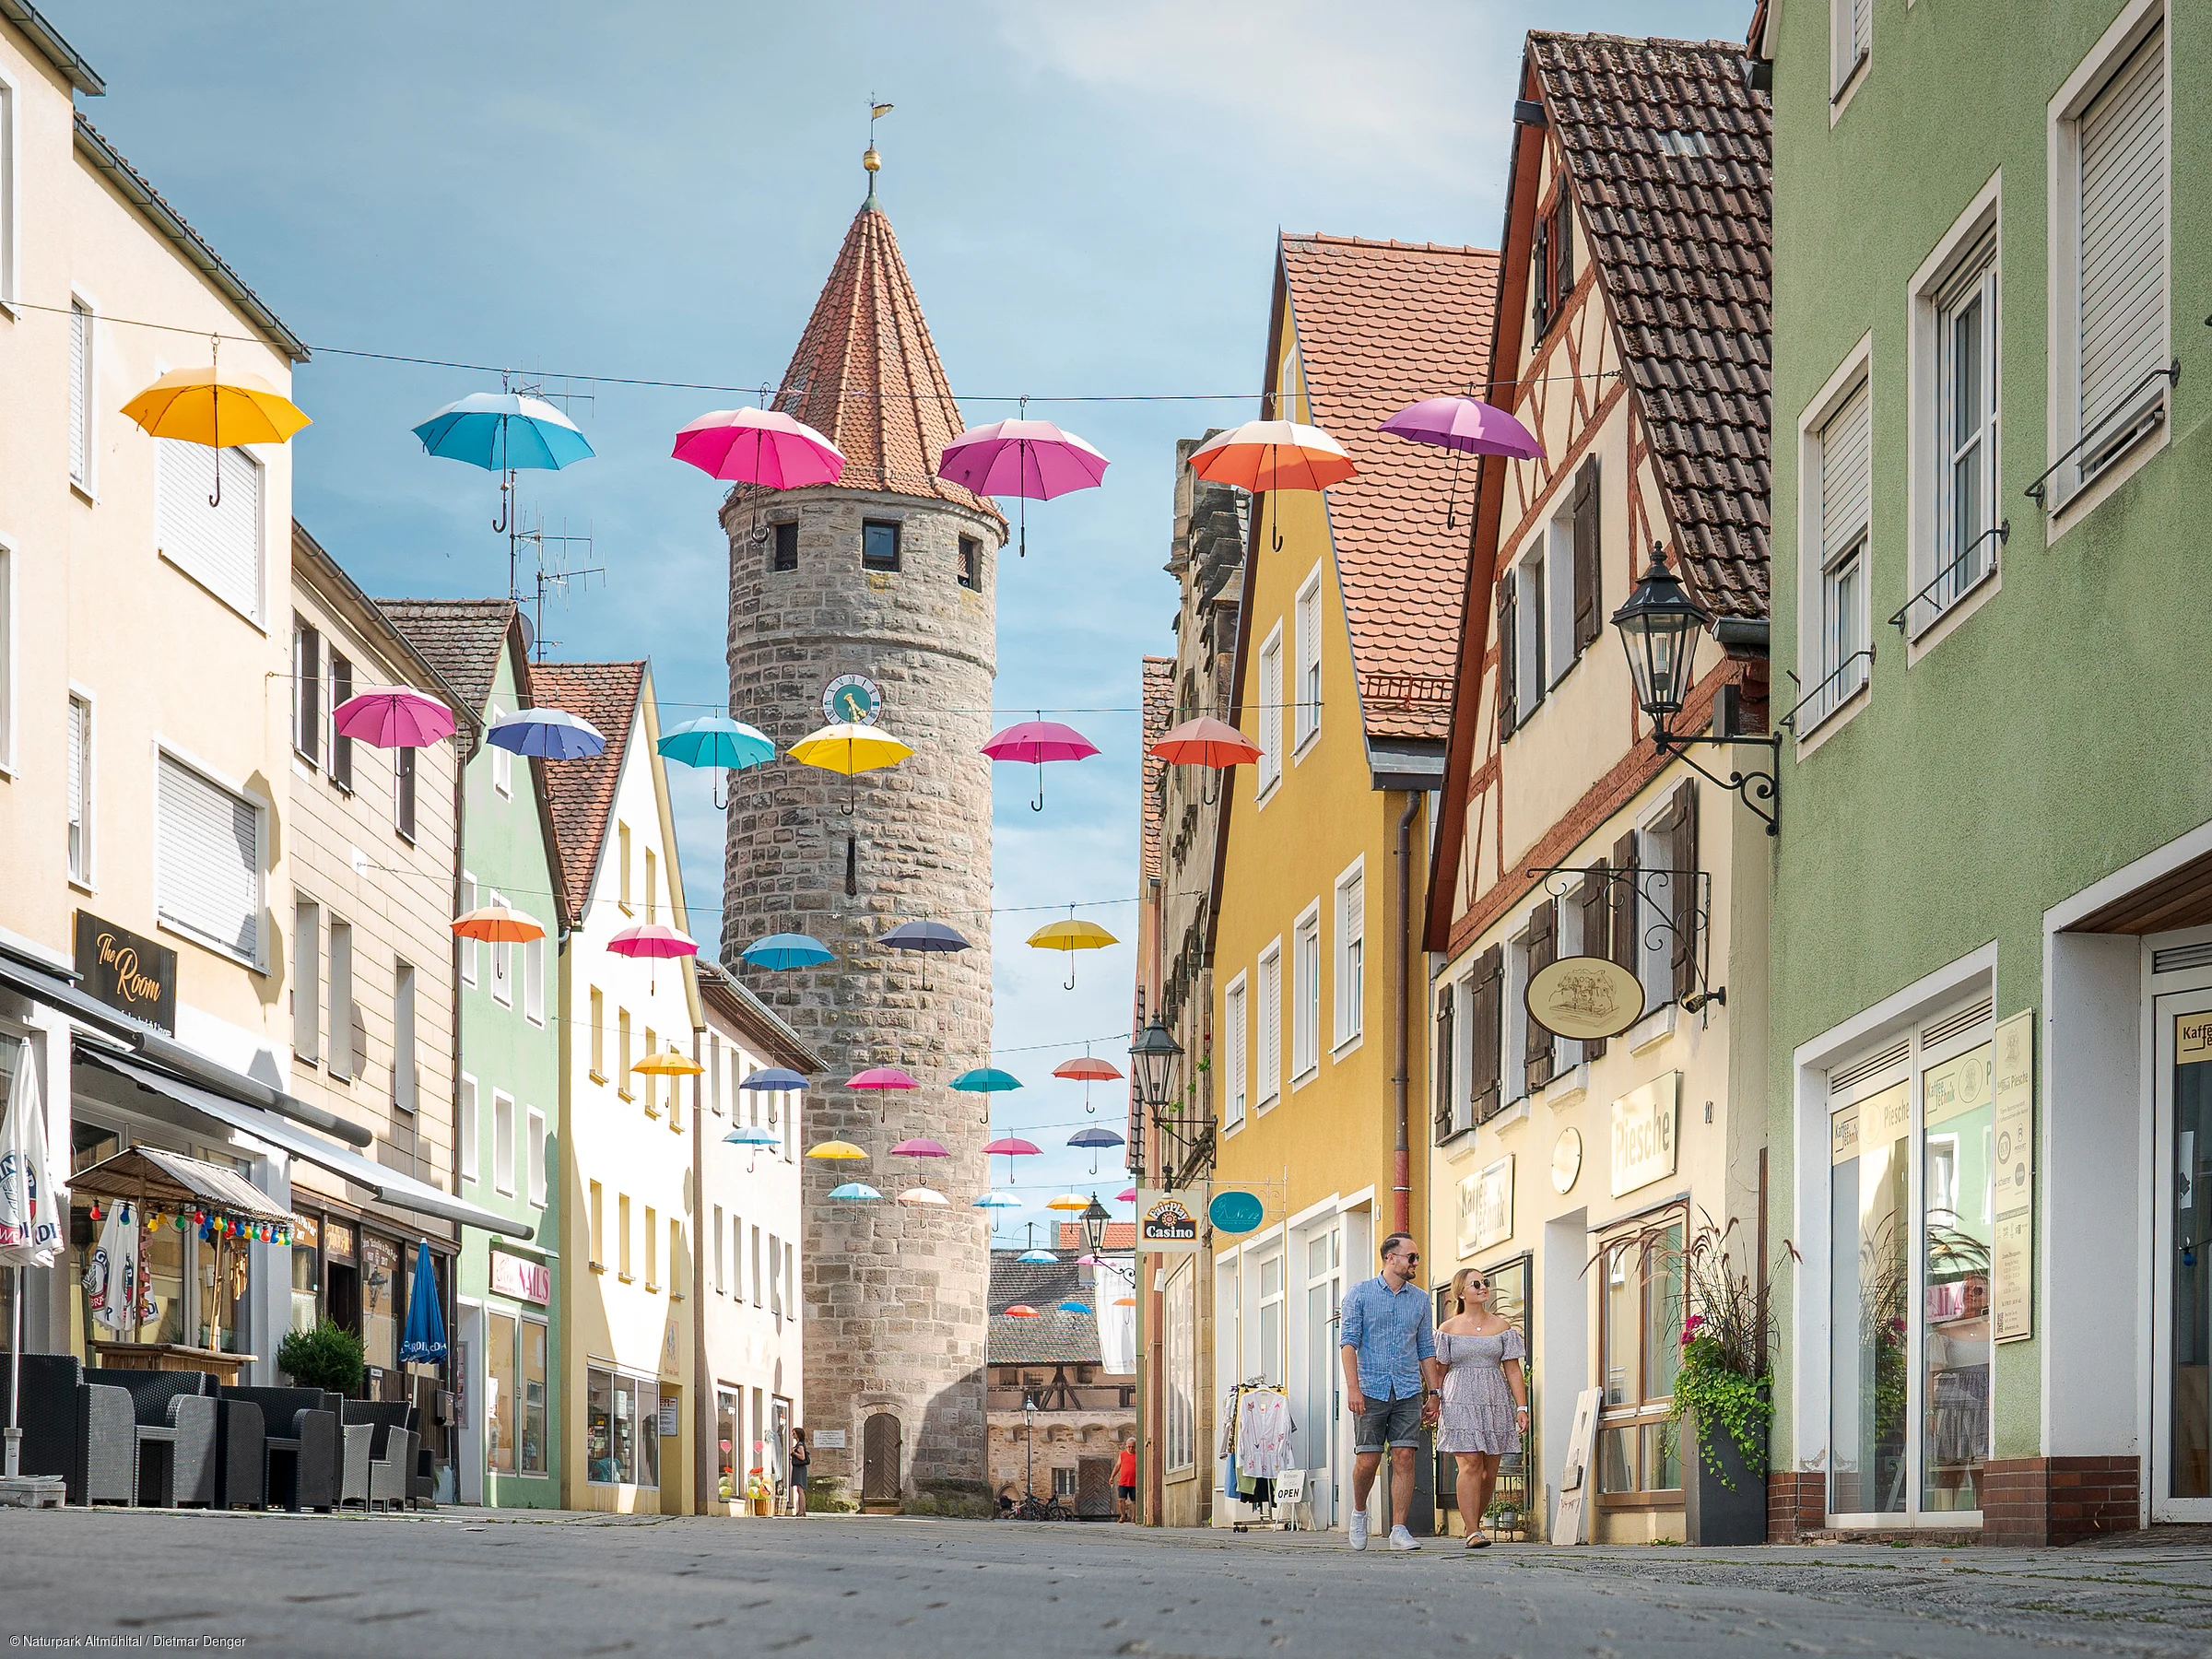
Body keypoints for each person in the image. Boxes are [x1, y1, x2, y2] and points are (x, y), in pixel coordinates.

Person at [1337, 1231, 1443, 1551]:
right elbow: (1348, 1343)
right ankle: (1359, 1512)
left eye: (1416, 1258)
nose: (1415, 1263)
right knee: (1367, 1460)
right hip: (1370, 1388)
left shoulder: (1420, 1298)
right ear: (1390, 1258)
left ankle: (1399, 1528)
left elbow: (1426, 1347)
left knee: (1404, 1457)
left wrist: (1434, 1392)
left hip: (1408, 1388)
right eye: (1410, 1257)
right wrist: (1353, 1388)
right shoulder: (1361, 1294)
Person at [1436, 1266, 1529, 1550]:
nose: (1483, 1287)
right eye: (1476, 1283)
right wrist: (1433, 1400)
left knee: (1489, 1471)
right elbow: (1439, 1371)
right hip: (1458, 1398)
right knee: (1470, 1464)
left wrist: (1521, 1407)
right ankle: (1474, 1531)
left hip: (1494, 1398)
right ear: (1461, 1292)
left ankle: (1471, 1523)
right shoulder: (1447, 1330)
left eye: (1485, 1282)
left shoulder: (1501, 1327)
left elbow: (1513, 1370)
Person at [787, 1430, 810, 1516]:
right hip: (799, 1469)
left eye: (794, 1433)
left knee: (800, 1490)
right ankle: (802, 1511)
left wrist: (794, 1453)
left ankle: (801, 1511)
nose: (793, 1435)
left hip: (799, 1469)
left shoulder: (800, 1445)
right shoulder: (799, 1444)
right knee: (799, 1489)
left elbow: (802, 1457)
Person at [1114, 1438, 1137, 1522]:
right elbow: (1117, 1466)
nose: (1131, 1448)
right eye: (1129, 1447)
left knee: (1134, 1501)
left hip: (1134, 1482)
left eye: (1133, 1447)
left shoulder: (1138, 1455)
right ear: (1127, 1446)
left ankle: (1133, 1517)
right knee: (1121, 1499)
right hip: (1123, 1481)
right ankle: (1123, 1516)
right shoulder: (1122, 1454)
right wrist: (1112, 1477)